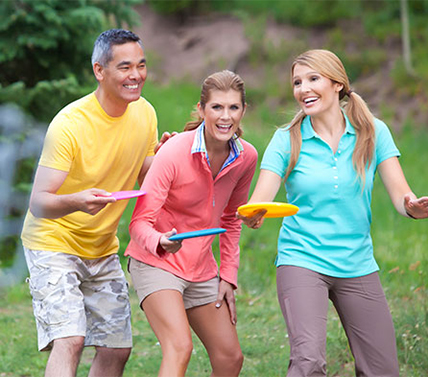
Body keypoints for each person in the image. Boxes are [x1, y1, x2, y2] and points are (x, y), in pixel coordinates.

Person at [238, 49, 428, 376]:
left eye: (313, 79)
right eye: (297, 82)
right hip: (303, 258)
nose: (303, 89)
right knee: (309, 362)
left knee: (383, 369)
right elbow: (262, 197)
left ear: (337, 84)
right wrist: (254, 212)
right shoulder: (286, 139)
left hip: (357, 262)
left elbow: (401, 194)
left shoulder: (373, 131)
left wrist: (413, 207)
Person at [20, 29, 170, 377]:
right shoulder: (70, 124)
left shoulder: (144, 113)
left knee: (117, 348)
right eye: (125, 67)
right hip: (52, 242)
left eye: (141, 65)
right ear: (99, 70)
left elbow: (145, 179)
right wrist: (76, 201)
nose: (136, 75)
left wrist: (165, 159)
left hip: (101, 246)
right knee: (70, 339)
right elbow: (39, 203)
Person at [125, 70, 258, 377]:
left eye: (233, 108)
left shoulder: (245, 157)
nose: (225, 117)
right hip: (156, 262)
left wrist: (228, 274)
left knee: (230, 358)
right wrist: (160, 241)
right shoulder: (174, 151)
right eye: (217, 108)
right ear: (201, 110)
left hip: (201, 268)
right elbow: (139, 223)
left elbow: (232, 219)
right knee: (179, 346)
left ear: (243, 111)